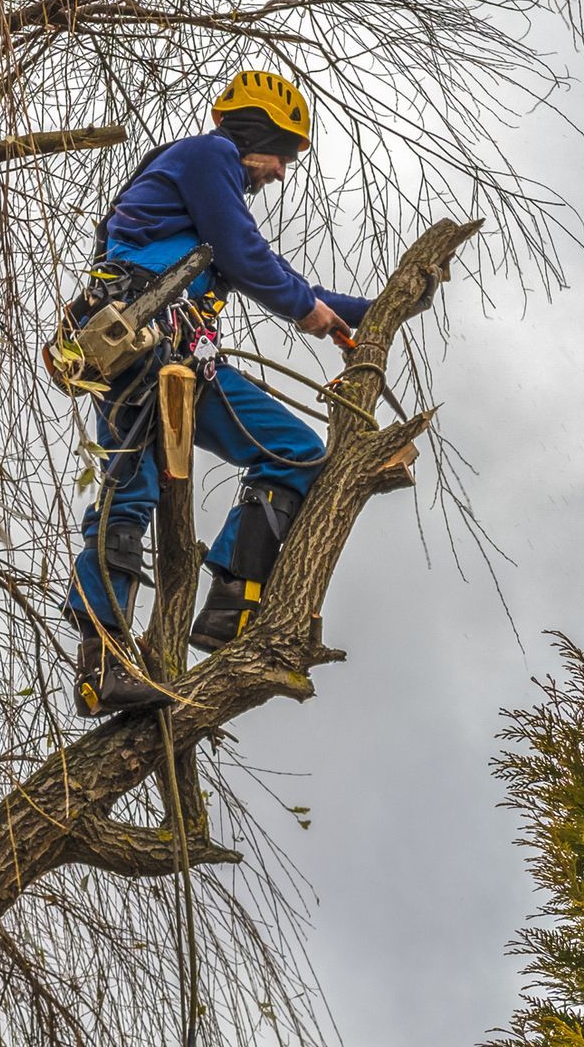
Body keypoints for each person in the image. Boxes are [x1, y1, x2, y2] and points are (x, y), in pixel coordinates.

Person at [63, 70, 371, 716]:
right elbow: (248, 255)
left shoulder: (211, 191)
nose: (283, 172)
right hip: (141, 348)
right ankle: (104, 668)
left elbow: (268, 267)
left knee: (296, 451)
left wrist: (370, 309)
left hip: (184, 362)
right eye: (284, 154)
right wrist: (305, 310)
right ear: (258, 131)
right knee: (131, 488)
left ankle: (230, 605)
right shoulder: (208, 157)